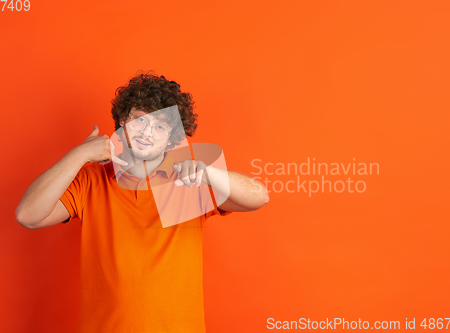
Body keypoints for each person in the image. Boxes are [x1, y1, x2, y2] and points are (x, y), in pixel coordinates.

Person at [15, 70, 269, 333]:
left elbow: (259, 197)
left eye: (160, 126)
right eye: (140, 120)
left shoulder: (192, 181)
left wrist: (208, 172)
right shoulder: (90, 180)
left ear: (171, 138)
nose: (147, 132)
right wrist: (79, 154)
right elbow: (28, 216)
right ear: (123, 120)